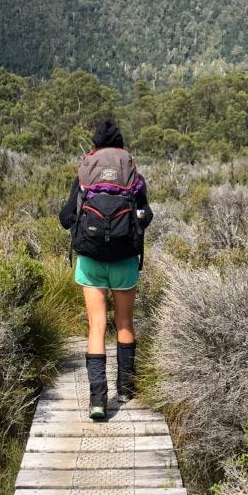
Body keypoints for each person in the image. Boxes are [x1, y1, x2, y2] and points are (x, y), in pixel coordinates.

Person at [59, 119, 153, 419]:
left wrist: (83, 223)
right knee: (124, 323)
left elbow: (64, 217)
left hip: (91, 261)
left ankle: (98, 400)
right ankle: (125, 389)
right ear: (121, 145)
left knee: (96, 325)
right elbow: (145, 216)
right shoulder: (133, 176)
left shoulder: (85, 174)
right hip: (125, 259)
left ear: (95, 145)